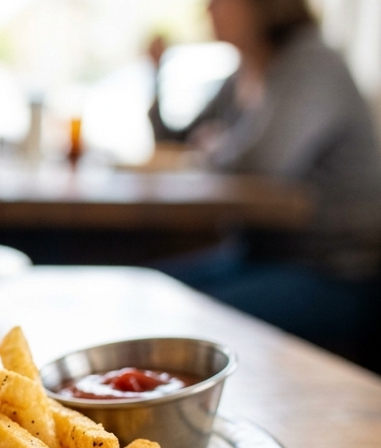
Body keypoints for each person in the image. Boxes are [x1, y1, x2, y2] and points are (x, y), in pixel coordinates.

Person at [149, 0, 381, 367]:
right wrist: (158, 73)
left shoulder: (313, 63)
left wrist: (216, 146)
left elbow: (263, 163)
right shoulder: (246, 70)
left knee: (176, 319)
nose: (207, 11)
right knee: (149, 290)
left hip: (334, 271)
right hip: (260, 254)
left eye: (219, 2)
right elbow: (180, 141)